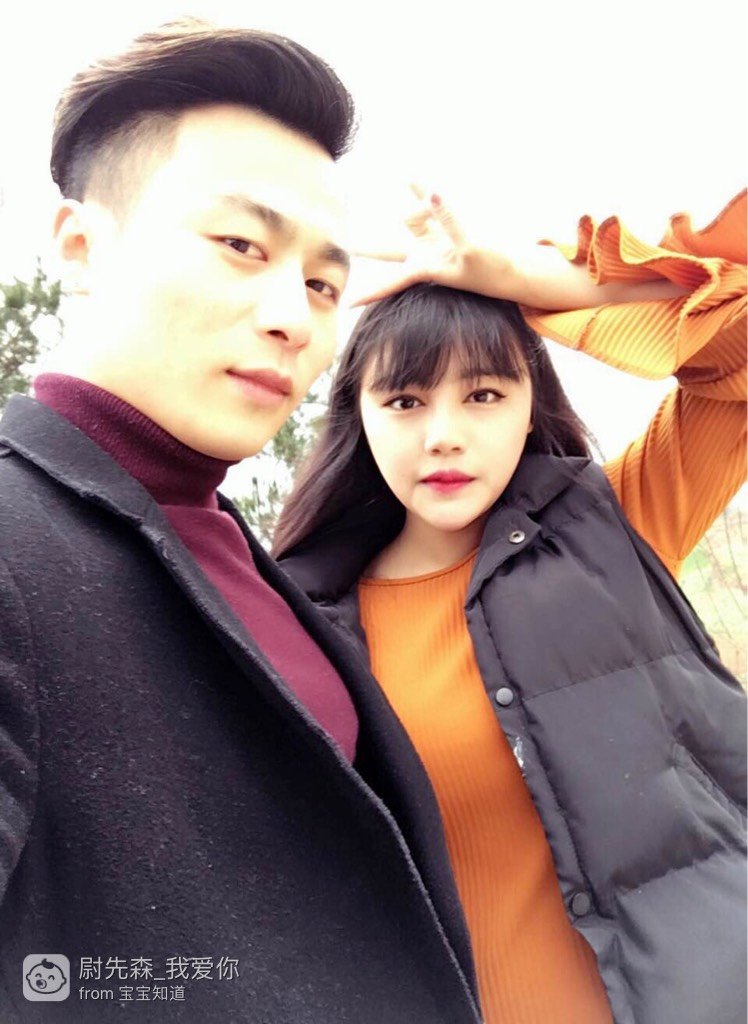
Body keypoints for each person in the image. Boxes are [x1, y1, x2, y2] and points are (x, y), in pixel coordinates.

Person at [0, 19, 486, 1024]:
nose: (293, 317)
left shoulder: (247, 556)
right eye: (239, 246)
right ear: (82, 245)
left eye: (322, 283)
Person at [275, 188, 748, 1024]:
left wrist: (519, 279)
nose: (444, 435)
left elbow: (736, 330)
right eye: (405, 401)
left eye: (484, 394)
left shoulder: (618, 522)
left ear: (531, 404)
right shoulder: (301, 622)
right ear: (359, 416)